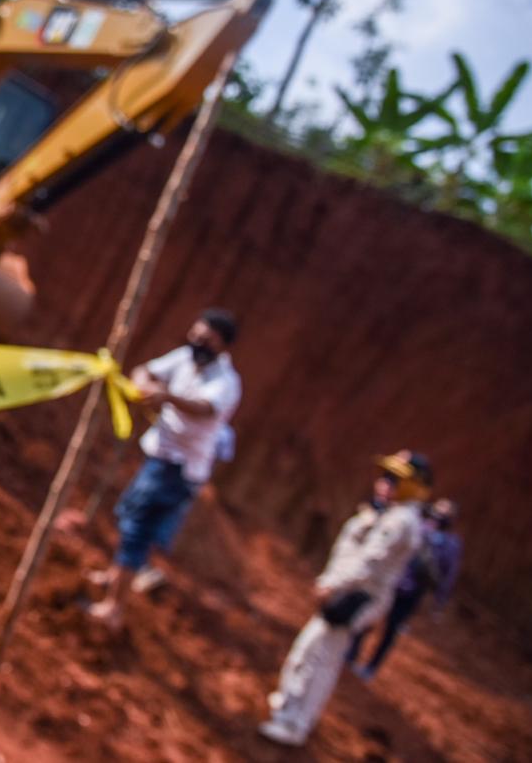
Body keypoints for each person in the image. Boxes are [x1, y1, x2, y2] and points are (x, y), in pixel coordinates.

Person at [259, 450, 434, 747]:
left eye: (394, 478)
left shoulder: (401, 521)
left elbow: (370, 561)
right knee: (309, 649)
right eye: (386, 476)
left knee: (322, 658)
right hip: (348, 593)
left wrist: (332, 584)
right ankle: (288, 702)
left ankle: (296, 723)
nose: (385, 482)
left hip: (357, 598)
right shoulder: (390, 514)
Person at [86, 309, 242, 629]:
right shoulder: (185, 357)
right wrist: (144, 383)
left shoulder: (226, 383)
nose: (197, 343)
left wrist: (165, 396)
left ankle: (113, 607)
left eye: (207, 340)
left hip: (178, 469)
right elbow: (147, 370)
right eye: (195, 335)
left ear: (223, 346)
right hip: (159, 457)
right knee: (130, 515)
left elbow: (204, 408)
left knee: (137, 529)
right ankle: (114, 577)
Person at [346, 497, 462, 680]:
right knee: (369, 616)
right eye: (437, 510)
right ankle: (351, 654)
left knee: (391, 629)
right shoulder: (417, 527)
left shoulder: (450, 544)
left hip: (411, 594)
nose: (439, 515)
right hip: (392, 582)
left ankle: (371, 667)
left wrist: (439, 602)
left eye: (445, 513)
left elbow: (448, 575)